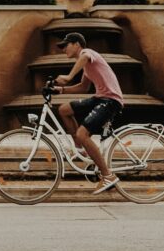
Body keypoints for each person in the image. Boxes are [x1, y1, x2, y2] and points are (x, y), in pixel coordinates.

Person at [52, 32, 124, 194]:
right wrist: (61, 90)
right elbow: (83, 88)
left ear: (77, 44)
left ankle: (108, 175)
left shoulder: (88, 53)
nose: (64, 49)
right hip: (100, 98)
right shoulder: (86, 65)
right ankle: (81, 148)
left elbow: (84, 57)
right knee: (64, 110)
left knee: (83, 133)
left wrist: (69, 76)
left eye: (66, 45)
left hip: (110, 100)